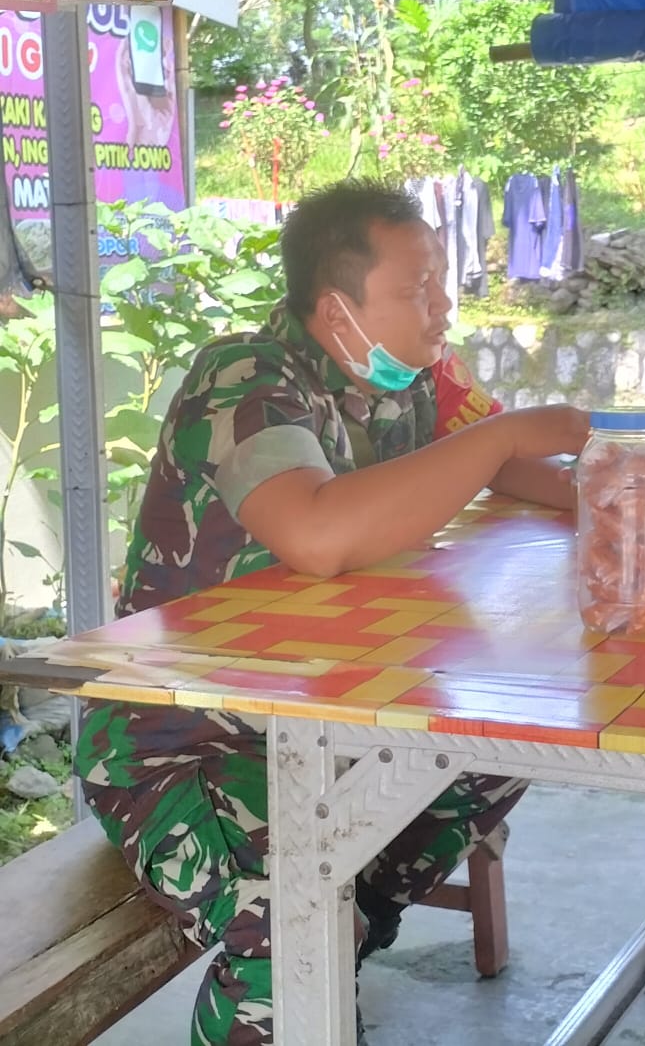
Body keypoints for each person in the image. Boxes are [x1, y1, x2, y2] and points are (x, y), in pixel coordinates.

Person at [77, 180, 589, 1046]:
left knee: (496, 753)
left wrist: (642, 492)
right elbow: (313, 532)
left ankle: (333, 959)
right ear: (336, 306)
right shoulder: (244, 377)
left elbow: (505, 472)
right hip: (181, 740)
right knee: (286, 931)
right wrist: (501, 436)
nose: (442, 305)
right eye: (415, 288)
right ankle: (302, 966)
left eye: (441, 282)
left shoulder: (405, 387)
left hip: (320, 721)